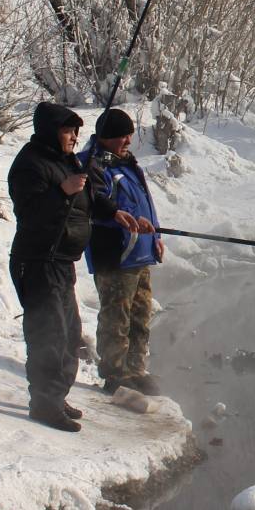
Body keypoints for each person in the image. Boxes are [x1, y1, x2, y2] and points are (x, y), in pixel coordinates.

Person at [7, 103, 136, 432]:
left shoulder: (64, 161)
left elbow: (87, 196)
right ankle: (44, 404)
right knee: (47, 334)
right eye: (67, 130)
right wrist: (61, 193)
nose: (74, 137)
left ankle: (57, 394)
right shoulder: (29, 165)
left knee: (68, 335)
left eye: (77, 131)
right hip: (37, 261)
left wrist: (113, 212)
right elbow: (30, 213)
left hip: (61, 262)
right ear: (51, 130)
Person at [79, 108, 164, 397]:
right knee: (117, 317)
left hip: (140, 253)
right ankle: (115, 374)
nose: (128, 140)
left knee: (141, 315)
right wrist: (117, 215)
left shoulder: (128, 164)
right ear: (105, 137)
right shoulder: (94, 165)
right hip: (115, 255)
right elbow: (95, 205)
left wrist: (157, 237)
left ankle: (136, 369)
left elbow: (144, 205)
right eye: (121, 136)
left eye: (128, 134)